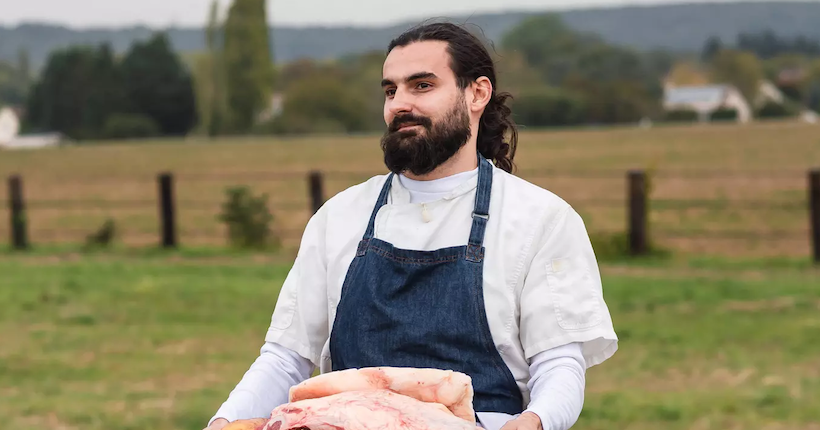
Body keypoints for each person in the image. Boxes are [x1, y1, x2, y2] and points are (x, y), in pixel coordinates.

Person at [204, 22, 618, 430]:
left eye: (422, 85)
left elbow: (559, 364)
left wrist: (533, 423)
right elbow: (286, 357)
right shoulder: (340, 216)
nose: (399, 103)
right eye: (390, 90)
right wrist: (224, 421)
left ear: (477, 93)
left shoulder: (539, 217)